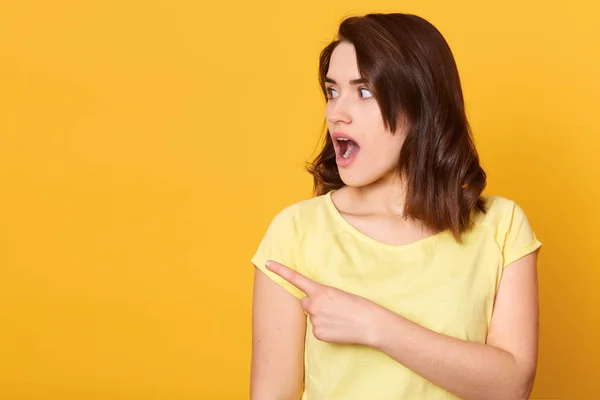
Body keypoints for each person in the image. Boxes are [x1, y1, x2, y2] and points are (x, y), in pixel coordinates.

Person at [249, 12, 542, 400]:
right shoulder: (296, 232)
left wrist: (373, 325)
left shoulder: (502, 227)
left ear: (421, 105)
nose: (336, 112)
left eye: (364, 91)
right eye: (332, 91)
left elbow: (512, 386)